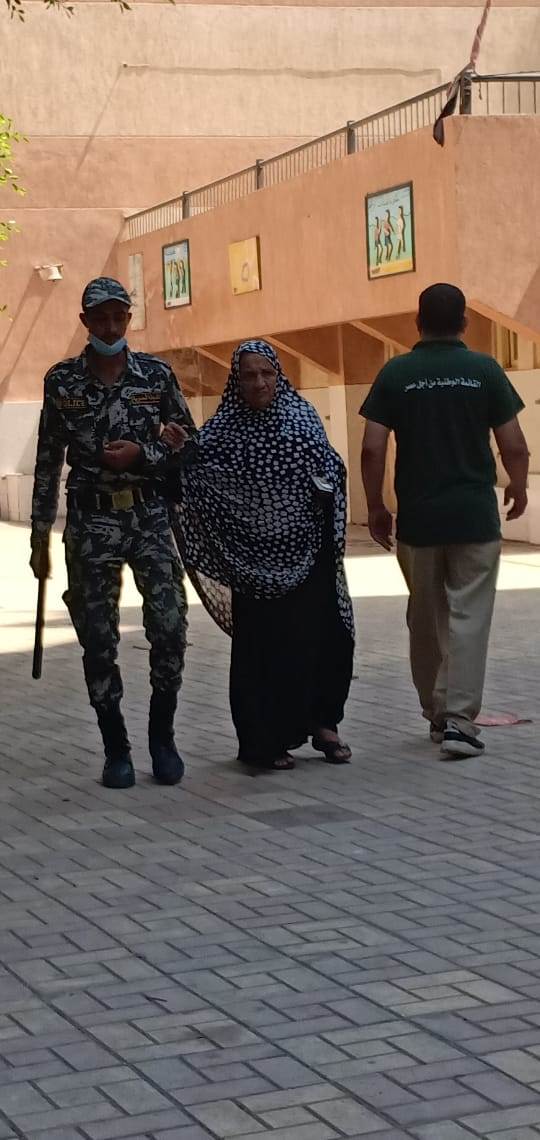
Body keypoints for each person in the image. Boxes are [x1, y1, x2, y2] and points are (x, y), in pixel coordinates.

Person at [30, 277, 197, 789]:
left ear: (129, 318)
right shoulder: (62, 381)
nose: (109, 327)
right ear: (85, 321)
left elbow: (188, 442)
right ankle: (115, 747)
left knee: (169, 625)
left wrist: (145, 454)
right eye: (99, 318)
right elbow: (47, 460)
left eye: (118, 317)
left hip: (148, 517)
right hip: (90, 521)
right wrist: (39, 534)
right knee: (98, 638)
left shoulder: (155, 375)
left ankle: (162, 737)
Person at [165, 340, 355, 772]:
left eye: (267, 373)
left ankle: (324, 724)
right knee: (263, 650)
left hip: (309, 553)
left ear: (279, 375)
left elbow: (330, 469)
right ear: (236, 380)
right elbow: (193, 476)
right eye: (249, 375)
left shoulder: (302, 416)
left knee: (325, 637)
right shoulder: (223, 430)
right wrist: (176, 453)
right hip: (251, 564)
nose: (259, 382)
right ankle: (265, 741)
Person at [360, 283, 529, 760]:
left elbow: (372, 448)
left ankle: (436, 712)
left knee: (425, 616)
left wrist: (376, 507)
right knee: (468, 618)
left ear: (418, 323)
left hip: (419, 520)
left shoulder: (397, 372)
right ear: (464, 323)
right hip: (474, 518)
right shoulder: (484, 370)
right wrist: (518, 486)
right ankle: (459, 720)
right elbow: (514, 445)